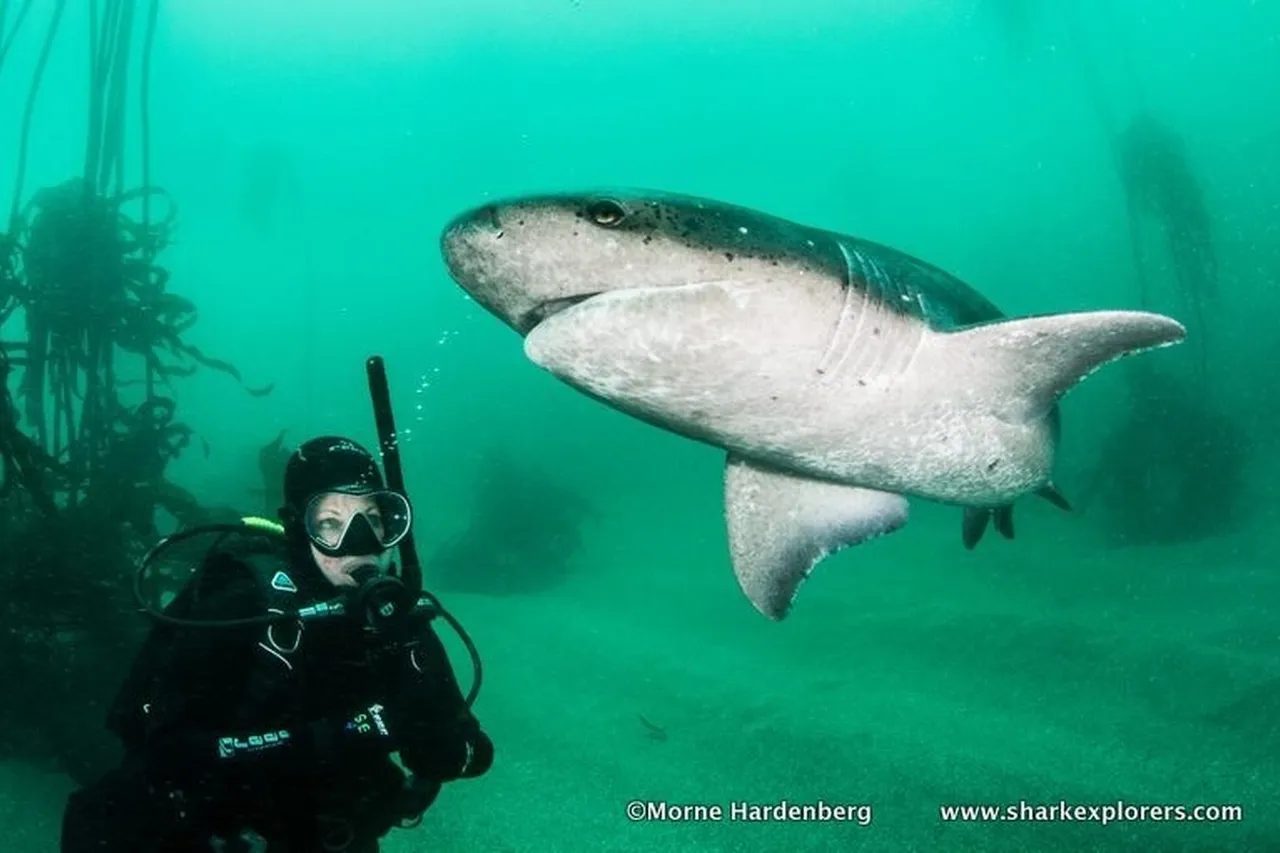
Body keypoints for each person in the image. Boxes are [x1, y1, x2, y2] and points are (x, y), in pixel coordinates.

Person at [61, 435, 493, 852]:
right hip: (217, 835)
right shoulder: (245, 605)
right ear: (298, 529)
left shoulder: (397, 620)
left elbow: (470, 753)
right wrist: (346, 732)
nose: (359, 544)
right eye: (330, 523)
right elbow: (167, 753)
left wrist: (437, 743)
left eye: (374, 520)